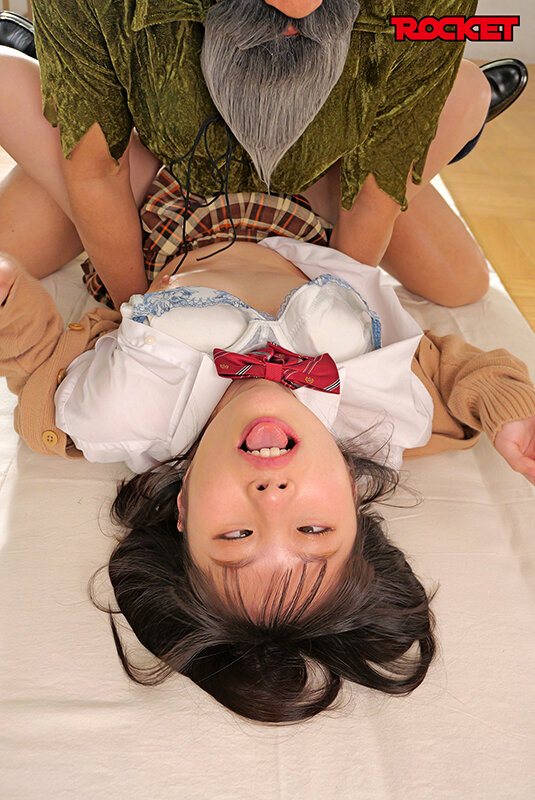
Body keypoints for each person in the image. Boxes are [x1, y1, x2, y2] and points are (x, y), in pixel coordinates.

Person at [1, 203, 534, 721]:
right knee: (464, 282)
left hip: (156, 201)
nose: (271, 499)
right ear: (352, 494)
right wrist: (510, 415)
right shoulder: (385, 415)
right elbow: (458, 372)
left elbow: (38, 361)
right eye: (313, 529)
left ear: (183, 509)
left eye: (237, 536)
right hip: (315, 203)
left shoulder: (124, 412)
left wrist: (8, 304)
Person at [0, 1, 528, 312]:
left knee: (463, 283)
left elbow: (376, 184)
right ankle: (73, 74)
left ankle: (446, 110)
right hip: (164, 173)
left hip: (318, 176)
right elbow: (96, 168)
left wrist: (340, 306)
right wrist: (133, 311)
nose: (298, 7)